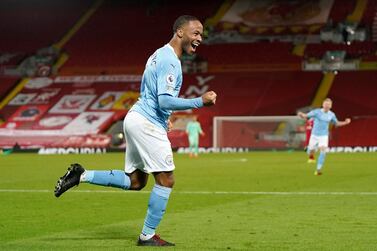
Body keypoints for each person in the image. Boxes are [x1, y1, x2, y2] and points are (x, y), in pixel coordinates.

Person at [54, 15, 217, 246]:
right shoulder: (170, 60)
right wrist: (200, 101)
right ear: (180, 32)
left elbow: (151, 94)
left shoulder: (158, 54)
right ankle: (147, 236)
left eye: (201, 34)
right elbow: (164, 100)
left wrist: (166, 118)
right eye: (196, 33)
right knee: (166, 180)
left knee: (136, 181)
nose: (200, 38)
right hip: (146, 122)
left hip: (139, 118)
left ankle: (81, 174)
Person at [298, 98, 351, 175]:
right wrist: (301, 114)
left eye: (328, 104)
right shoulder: (316, 112)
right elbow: (306, 116)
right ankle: (308, 150)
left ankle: (318, 170)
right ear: (323, 105)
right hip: (314, 135)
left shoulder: (332, 114)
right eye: (325, 104)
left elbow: (336, 123)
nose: (327, 106)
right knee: (311, 151)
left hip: (324, 136)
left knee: (323, 151)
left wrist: (345, 122)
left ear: (331, 106)